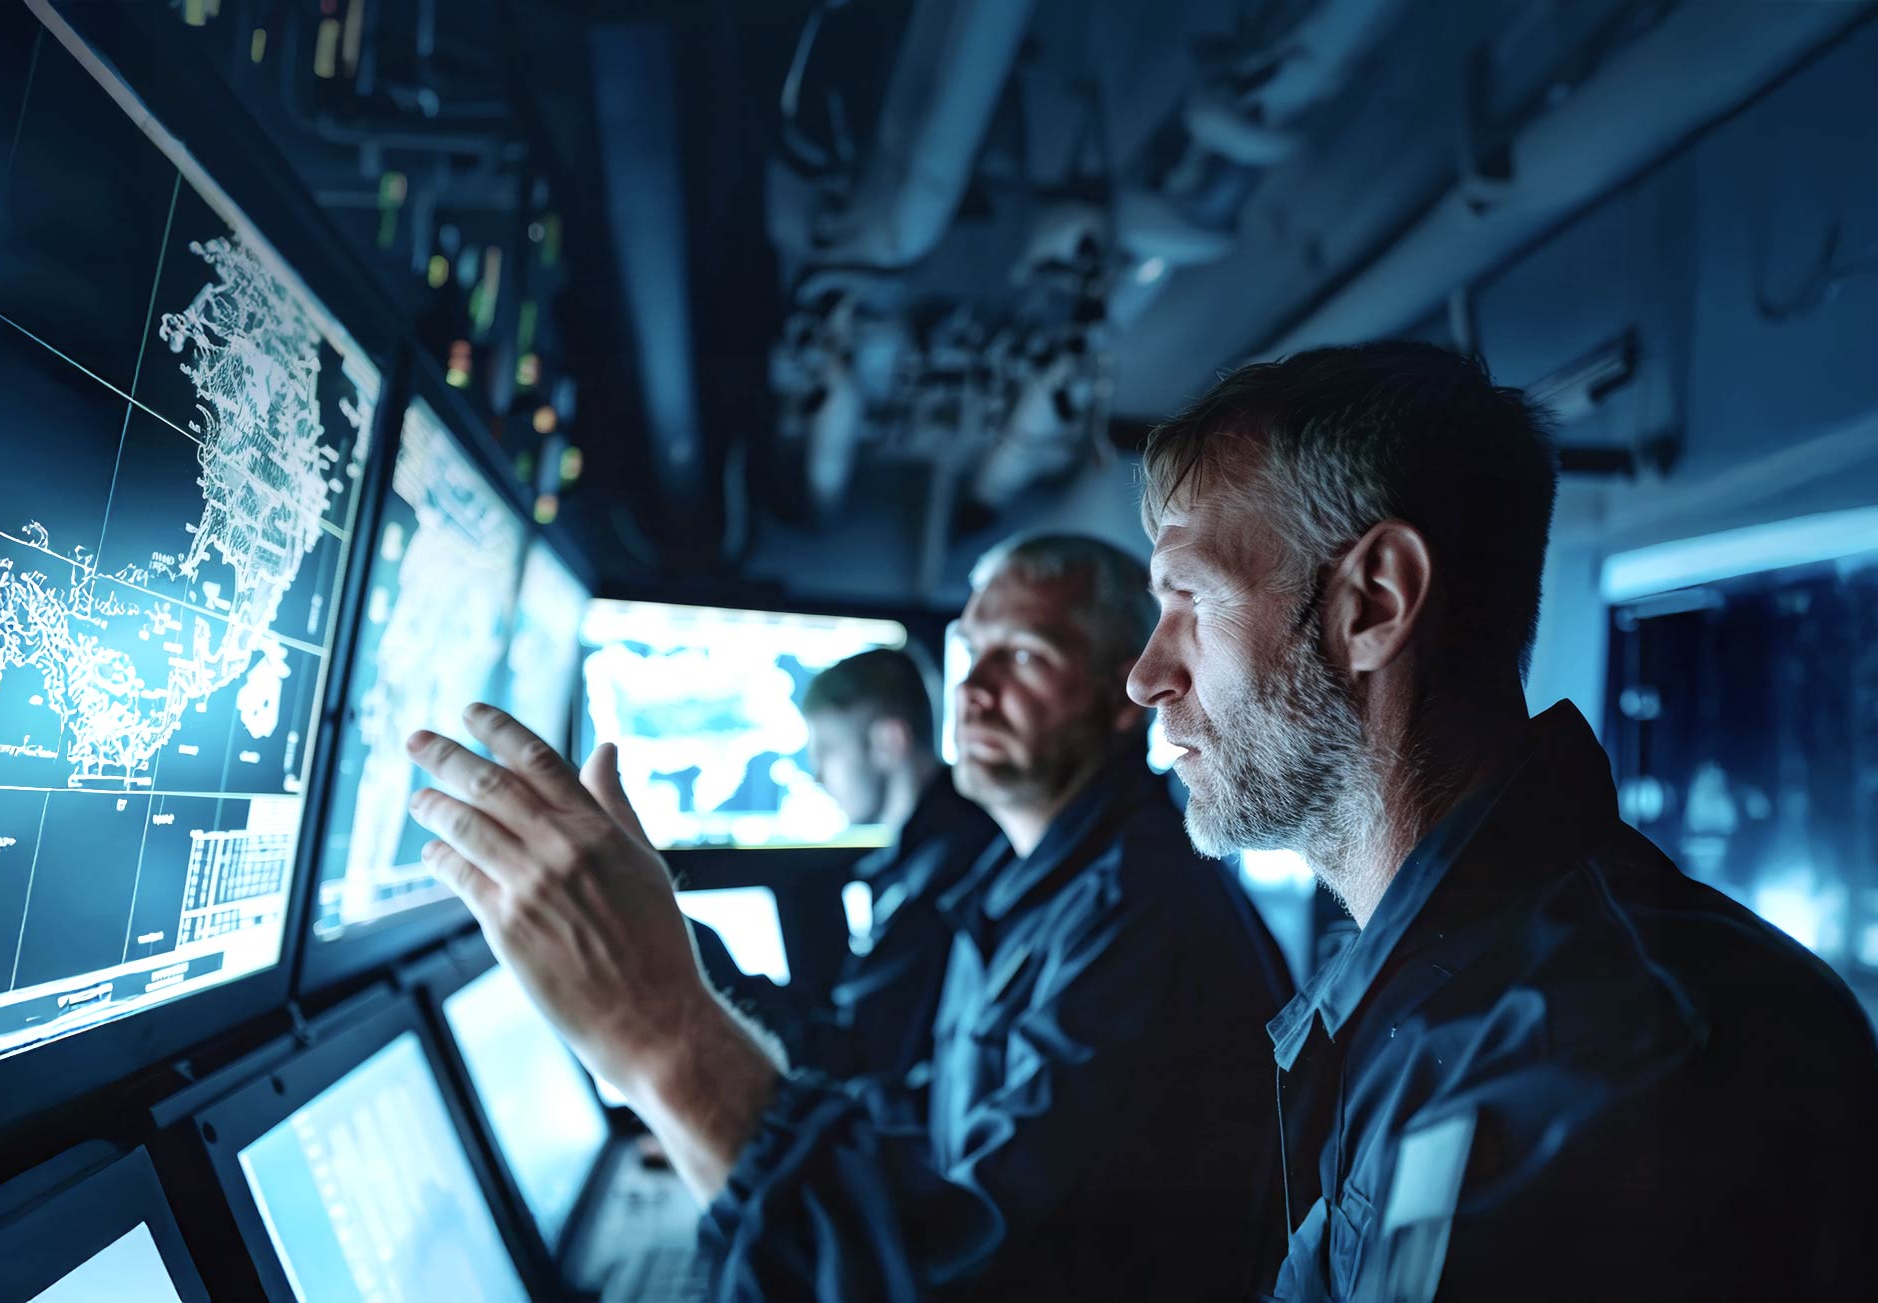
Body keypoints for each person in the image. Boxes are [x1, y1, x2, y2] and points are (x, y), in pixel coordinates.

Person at [1127, 340, 1878, 1300]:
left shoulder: (1599, 1053)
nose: (1146, 676)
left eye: (1190, 599)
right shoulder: (1447, 992)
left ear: (1375, 603)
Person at [404, 535, 1292, 1301]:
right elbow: (931, 1112)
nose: (972, 689)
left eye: (1023, 655)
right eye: (969, 651)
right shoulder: (1020, 885)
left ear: (1115, 691)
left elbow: (975, 1278)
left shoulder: (1140, 923)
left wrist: (665, 1033)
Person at [798, 647, 1001, 1080]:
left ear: (889, 742)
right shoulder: (934, 848)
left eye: (827, 750)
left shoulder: (946, 867)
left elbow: (862, 1053)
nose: (816, 775)